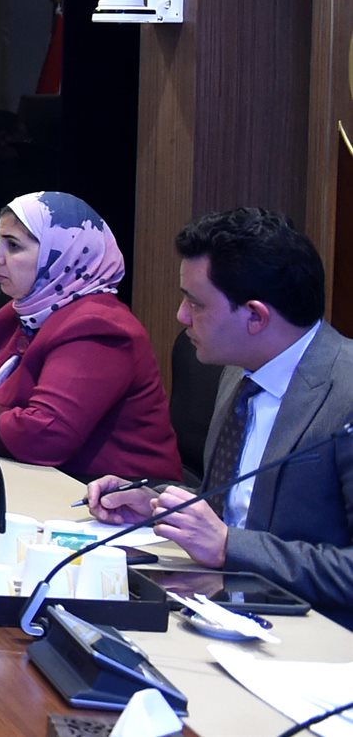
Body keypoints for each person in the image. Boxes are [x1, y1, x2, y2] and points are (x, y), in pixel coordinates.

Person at [86, 208, 353, 625]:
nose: (181, 316)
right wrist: (156, 503)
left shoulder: (344, 393)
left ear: (255, 316)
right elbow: (235, 504)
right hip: (218, 606)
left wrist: (229, 545)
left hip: (314, 634)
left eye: (195, 303)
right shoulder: (238, 369)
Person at [0, 192, 182, 484]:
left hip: (111, 495)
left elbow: (44, 435)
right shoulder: (21, 313)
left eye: (13, 245)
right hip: (36, 476)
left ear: (61, 254)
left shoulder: (97, 326)